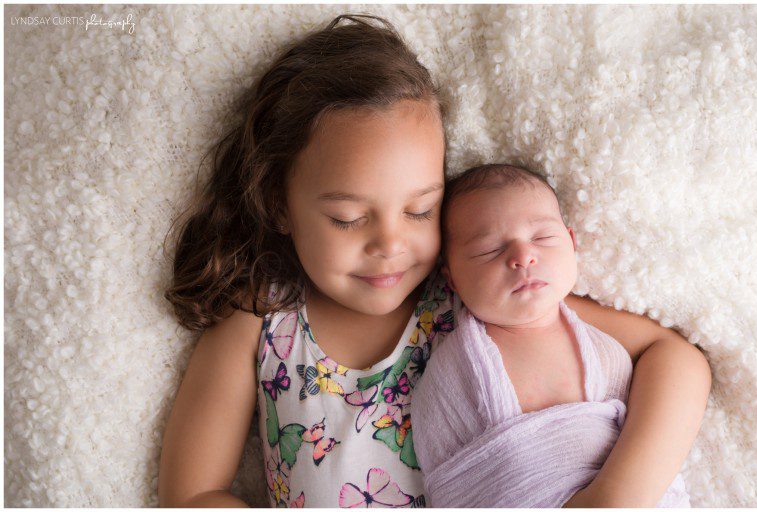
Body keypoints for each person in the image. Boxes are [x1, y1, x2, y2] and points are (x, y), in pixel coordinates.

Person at [157, 14, 711, 508]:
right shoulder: (262, 322)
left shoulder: (472, 293)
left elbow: (675, 358)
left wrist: (615, 496)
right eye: (349, 218)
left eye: (420, 211)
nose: (390, 245)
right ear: (278, 203)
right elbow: (192, 493)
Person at [411, 163, 700, 507]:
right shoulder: (451, 374)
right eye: (489, 249)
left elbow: (677, 370)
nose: (522, 256)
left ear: (571, 242)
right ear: (453, 279)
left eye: (543, 238)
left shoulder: (603, 344)